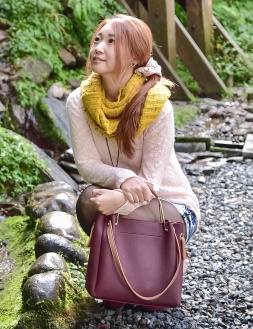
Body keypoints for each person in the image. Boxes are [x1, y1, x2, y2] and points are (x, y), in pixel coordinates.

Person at [66, 15, 199, 244]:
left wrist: (120, 201)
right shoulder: (79, 101)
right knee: (88, 200)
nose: (98, 48)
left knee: (106, 211)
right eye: (97, 40)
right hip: (117, 194)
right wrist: (123, 179)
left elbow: (151, 182)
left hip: (168, 205)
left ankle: (159, 262)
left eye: (111, 42)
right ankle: (118, 269)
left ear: (135, 57)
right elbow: (87, 165)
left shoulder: (156, 104)